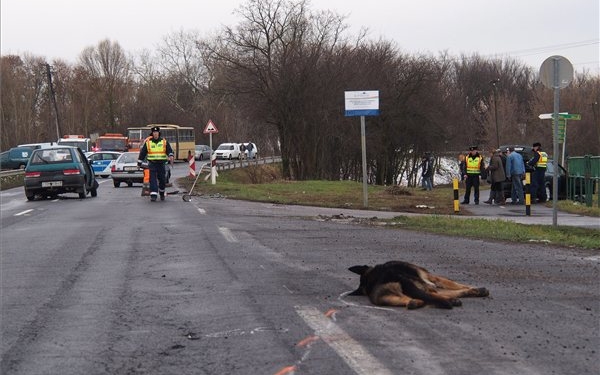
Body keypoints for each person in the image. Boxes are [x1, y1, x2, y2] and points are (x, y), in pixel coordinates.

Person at [137, 126, 174, 202]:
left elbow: (169, 150)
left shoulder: (164, 141)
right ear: (152, 134)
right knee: (152, 179)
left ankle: (162, 193)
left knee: (162, 180)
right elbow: (143, 153)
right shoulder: (148, 143)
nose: (155, 134)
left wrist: (170, 155)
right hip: (152, 163)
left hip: (161, 164)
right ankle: (153, 195)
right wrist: (139, 162)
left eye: (156, 132)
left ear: (159, 133)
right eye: (154, 133)